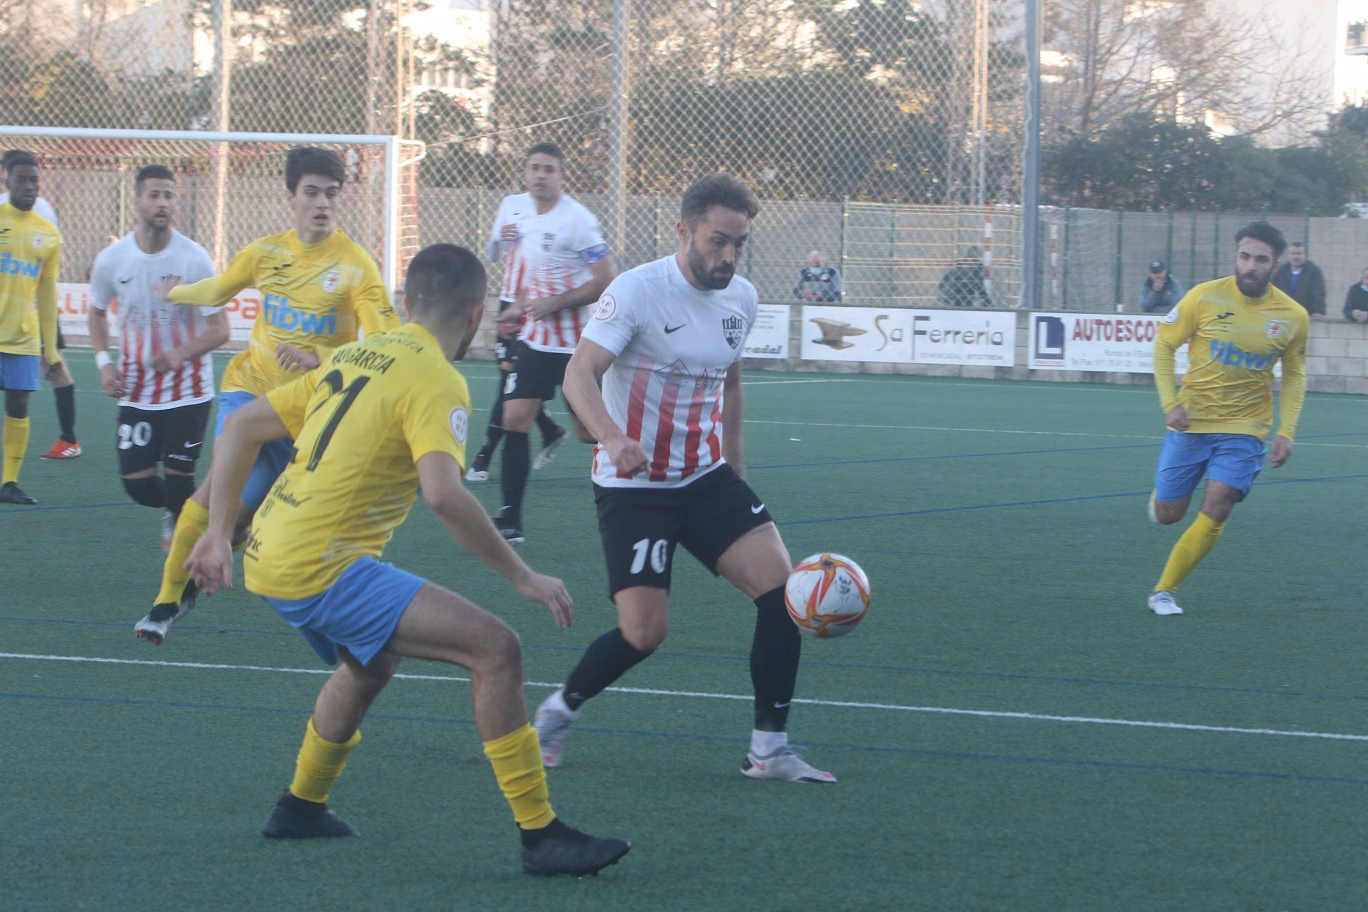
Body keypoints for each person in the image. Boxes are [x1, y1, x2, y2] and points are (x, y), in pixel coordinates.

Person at [182, 243, 630, 876]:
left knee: (370, 663)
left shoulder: (357, 354)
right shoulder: (437, 378)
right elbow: (444, 495)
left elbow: (240, 428)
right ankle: (542, 835)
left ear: (405, 302)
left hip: (270, 551)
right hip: (320, 563)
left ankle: (300, 807)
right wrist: (522, 575)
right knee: (496, 650)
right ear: (476, 314)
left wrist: (216, 530)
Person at [531, 174, 836, 784]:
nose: (727, 256)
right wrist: (614, 440)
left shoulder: (741, 298)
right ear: (684, 231)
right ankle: (558, 712)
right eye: (717, 241)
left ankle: (768, 750)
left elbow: (730, 380)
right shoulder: (637, 291)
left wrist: (736, 464)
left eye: (738, 244)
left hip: (706, 477)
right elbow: (578, 374)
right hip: (635, 488)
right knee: (644, 633)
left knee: (786, 600)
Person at [134, 146, 400, 644]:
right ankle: (164, 604)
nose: (323, 203)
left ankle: (201, 571)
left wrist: (323, 358)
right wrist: (176, 294)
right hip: (248, 390)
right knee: (213, 491)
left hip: (306, 413)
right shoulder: (265, 252)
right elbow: (216, 290)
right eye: (312, 192)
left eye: (331, 194)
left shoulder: (355, 267)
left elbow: (382, 339)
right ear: (291, 197)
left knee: (244, 511)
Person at [1146, 221, 1307, 616]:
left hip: (1246, 429)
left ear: (1275, 264)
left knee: (1219, 504)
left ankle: (1164, 591)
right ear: (1236, 256)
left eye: (1261, 259)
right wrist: (1170, 404)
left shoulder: (1293, 316)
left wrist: (1286, 431)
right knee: (1169, 515)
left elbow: (1295, 375)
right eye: (1244, 256)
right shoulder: (1202, 298)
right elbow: (1163, 344)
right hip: (1192, 422)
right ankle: (1161, 499)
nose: (1250, 265)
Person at [88, 165, 229, 548]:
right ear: (137, 202)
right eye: (154, 195)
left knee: (181, 479)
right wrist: (105, 364)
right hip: (136, 393)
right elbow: (97, 311)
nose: (162, 202)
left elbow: (221, 329)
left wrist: (179, 354)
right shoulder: (112, 260)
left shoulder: (194, 260)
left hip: (188, 393)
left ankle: (197, 536)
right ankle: (206, 512)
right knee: (136, 485)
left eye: (169, 195)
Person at [485, 142, 615, 544]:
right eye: (535, 168)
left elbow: (606, 278)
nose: (541, 174)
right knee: (514, 420)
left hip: (577, 345)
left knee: (588, 434)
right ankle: (510, 518)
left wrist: (555, 304)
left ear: (562, 175)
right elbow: (535, 278)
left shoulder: (578, 220)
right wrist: (518, 309)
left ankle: (635, 484)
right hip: (535, 339)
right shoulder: (519, 212)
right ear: (525, 173)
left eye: (549, 169)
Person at [1, 149, 79, 460]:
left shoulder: (35, 210)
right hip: (23, 306)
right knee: (54, 367)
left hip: (28, 308)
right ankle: (68, 438)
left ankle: (69, 438)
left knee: (55, 365)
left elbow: (43, 260)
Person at [0, 153, 62, 504]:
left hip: (23, 340)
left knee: (18, 406)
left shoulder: (47, 233)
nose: (29, 186)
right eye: (22, 179)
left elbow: (48, 292)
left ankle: (9, 482)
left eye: (34, 180)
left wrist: (50, 349)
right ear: (6, 180)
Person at [463, 311, 566, 483]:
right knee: (512, 387)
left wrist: (521, 309)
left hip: (529, 323)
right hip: (509, 310)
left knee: (508, 387)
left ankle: (483, 457)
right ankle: (550, 430)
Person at [1270, 241, 1326, 319]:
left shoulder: (1314, 271)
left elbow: (1318, 293)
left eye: (1299, 253)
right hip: (1283, 316)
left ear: (1305, 255)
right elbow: (1271, 291)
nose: (1296, 256)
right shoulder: (1280, 272)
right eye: (1293, 253)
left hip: (1305, 317)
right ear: (1289, 255)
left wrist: (1318, 311)